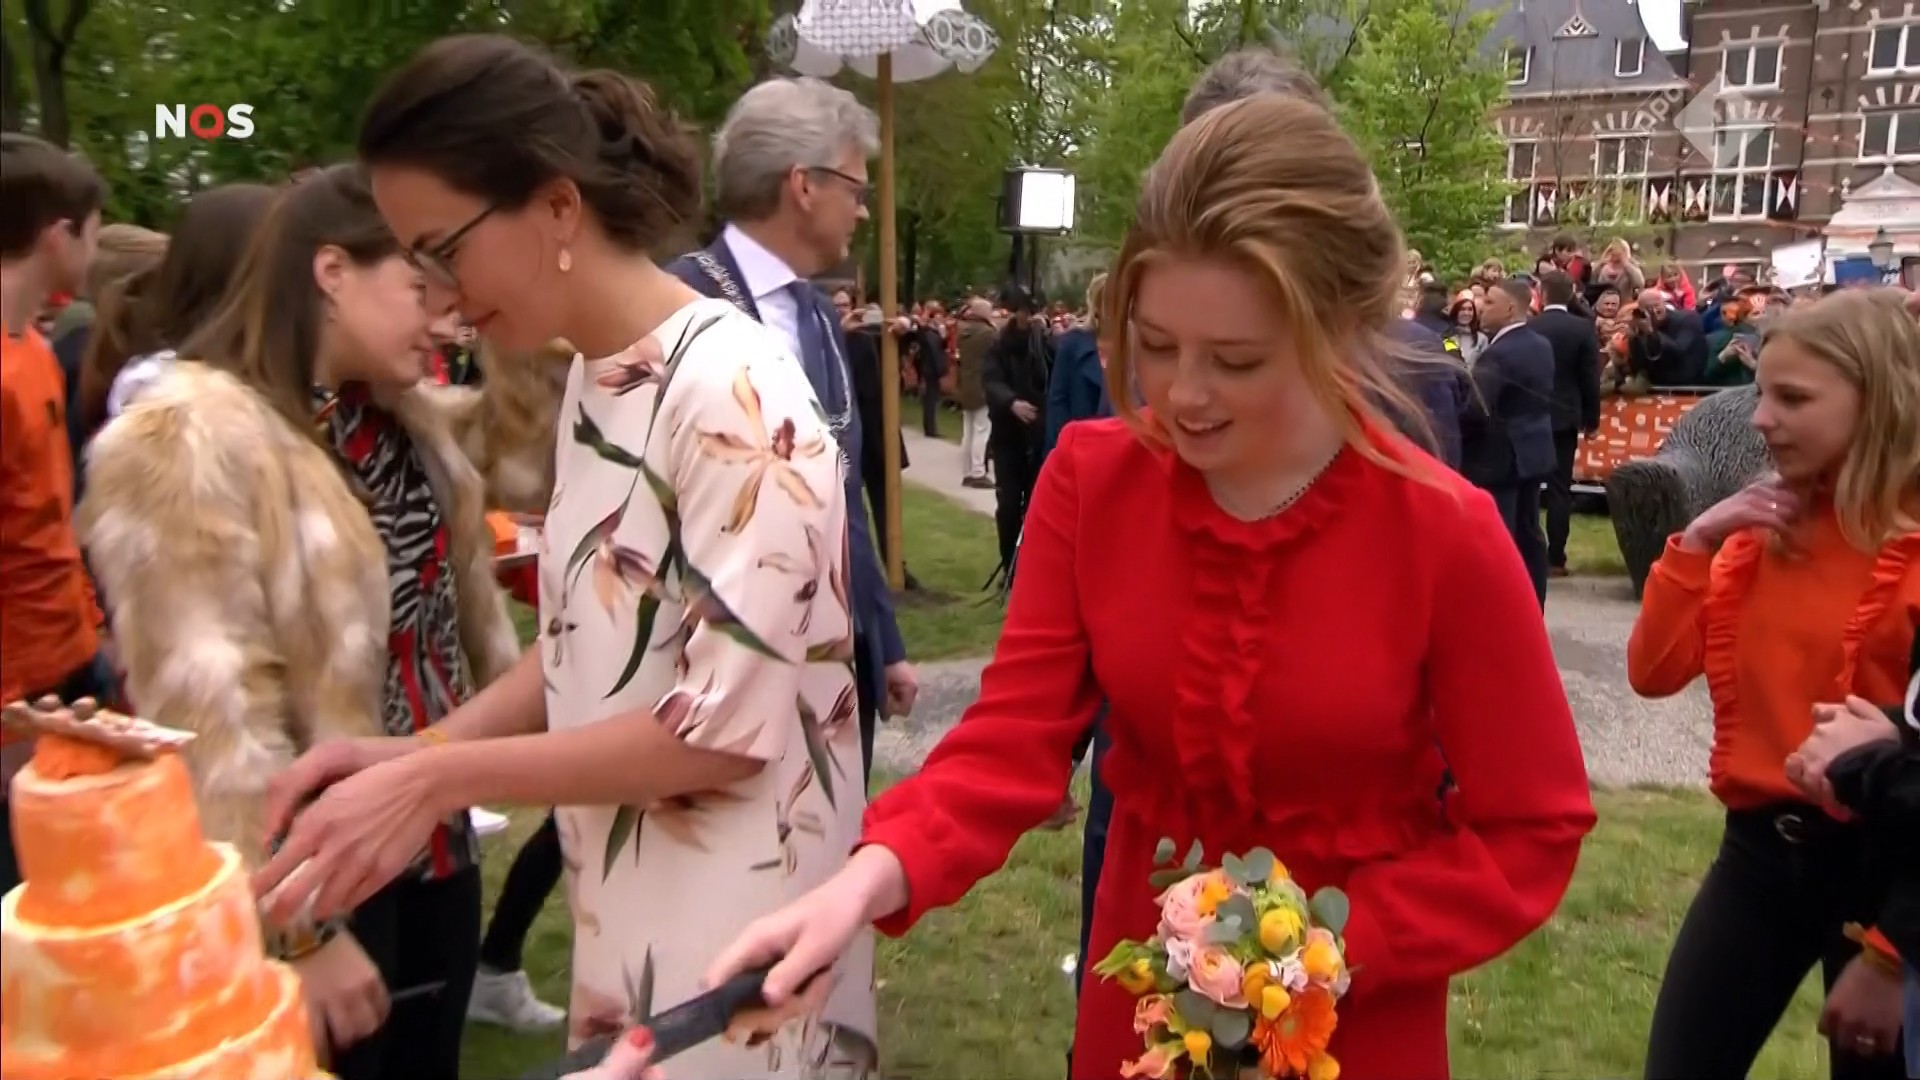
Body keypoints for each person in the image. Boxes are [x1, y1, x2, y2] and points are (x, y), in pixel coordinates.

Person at [705, 92, 1594, 1080]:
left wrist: (1331, 946)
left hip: (1351, 1027)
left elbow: (1533, 829)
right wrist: (864, 880)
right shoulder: (1094, 482)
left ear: (1341, 328)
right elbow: (1012, 742)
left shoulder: (1442, 533)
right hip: (1136, 1008)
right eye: (1157, 345)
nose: (1182, 394)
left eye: (1237, 360)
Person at [252, 35, 878, 1078]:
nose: (440, 297)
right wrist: (418, 755)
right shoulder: (600, 375)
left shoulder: (734, 392)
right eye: (415, 263)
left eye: (443, 250)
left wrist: (435, 783)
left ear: (555, 206)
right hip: (636, 908)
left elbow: (721, 731)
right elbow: (590, 647)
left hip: (743, 940)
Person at [79, 163, 556, 1080]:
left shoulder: (394, 416)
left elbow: (530, 461)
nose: (443, 311)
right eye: (420, 284)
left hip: (430, 837)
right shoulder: (186, 439)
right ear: (332, 273)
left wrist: (520, 304)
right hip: (319, 871)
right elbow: (212, 719)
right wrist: (298, 930)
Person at [1628, 288, 1919, 1079]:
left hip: (1894, 871)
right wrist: (1696, 540)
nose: (1761, 420)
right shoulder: (1768, 529)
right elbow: (1654, 672)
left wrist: (1893, 951)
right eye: (1762, 394)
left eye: (1792, 399)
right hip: (1761, 856)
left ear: (1879, 399)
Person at [666, 76, 916, 785]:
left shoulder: (819, 318)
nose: (862, 210)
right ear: (803, 185)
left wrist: (881, 638)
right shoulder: (678, 303)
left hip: (834, 663)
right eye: (856, 189)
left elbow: (844, 494)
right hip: (718, 669)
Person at [0, 133, 108, 894]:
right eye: (92, 231)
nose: (97, 248)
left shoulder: (35, 351)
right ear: (57, 235)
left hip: (66, 664)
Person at [1461, 277, 1556, 606]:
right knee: (1530, 534)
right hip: (1533, 452)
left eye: (1489, 302)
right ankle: (1533, 605)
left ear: (1510, 308)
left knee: (1500, 538)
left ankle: (1500, 608)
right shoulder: (1540, 345)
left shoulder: (1500, 354)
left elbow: (1476, 408)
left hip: (1500, 459)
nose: (1481, 308)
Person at [1529, 270, 1601, 578]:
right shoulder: (1582, 329)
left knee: (1530, 487)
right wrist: (1592, 418)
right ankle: (1556, 557)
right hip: (1565, 417)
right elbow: (1590, 377)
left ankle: (1527, 550)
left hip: (1531, 415)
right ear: (1571, 295)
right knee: (1560, 489)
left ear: (1542, 295)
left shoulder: (1530, 327)